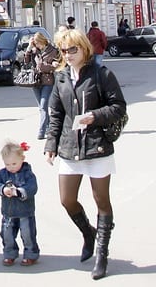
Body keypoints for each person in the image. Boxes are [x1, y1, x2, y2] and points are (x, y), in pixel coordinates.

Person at [44, 28, 127, 280]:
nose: (68, 55)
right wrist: (51, 144)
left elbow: (118, 107)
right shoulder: (61, 77)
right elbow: (56, 114)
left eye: (72, 49)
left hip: (97, 145)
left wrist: (94, 116)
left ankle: (102, 253)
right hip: (70, 147)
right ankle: (88, 233)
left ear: (84, 48)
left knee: (101, 200)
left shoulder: (101, 74)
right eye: (64, 50)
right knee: (67, 199)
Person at [0, 140, 39, 267]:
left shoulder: (28, 174)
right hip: (9, 212)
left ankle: (31, 254)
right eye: (7, 164)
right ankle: (9, 254)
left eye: (14, 163)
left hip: (25, 212)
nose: (11, 167)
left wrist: (19, 192)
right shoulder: (1, 174)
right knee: (7, 235)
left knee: (28, 234)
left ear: (22, 159)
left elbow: (32, 188)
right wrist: (2, 189)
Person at [24, 32, 60, 139]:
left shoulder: (52, 50)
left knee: (43, 105)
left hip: (47, 81)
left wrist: (44, 66)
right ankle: (48, 127)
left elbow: (56, 66)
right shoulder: (34, 50)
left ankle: (41, 131)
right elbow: (26, 62)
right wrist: (29, 48)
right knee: (41, 107)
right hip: (36, 81)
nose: (37, 46)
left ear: (43, 41)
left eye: (38, 43)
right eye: (35, 44)